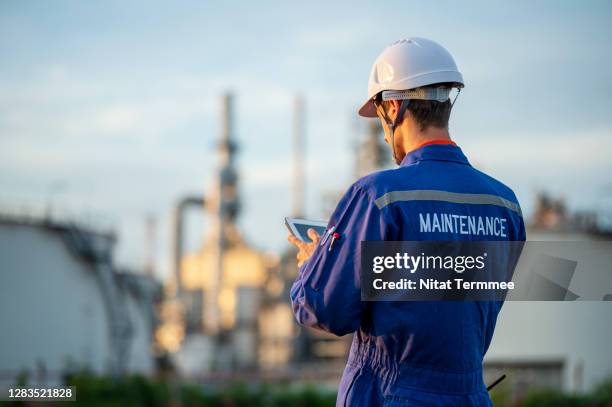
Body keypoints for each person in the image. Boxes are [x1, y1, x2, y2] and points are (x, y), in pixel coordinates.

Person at [287, 38, 526, 406]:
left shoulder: (380, 197)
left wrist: (314, 267)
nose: (383, 132)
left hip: (391, 394)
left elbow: (325, 310)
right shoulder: (503, 204)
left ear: (394, 107)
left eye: (381, 116)